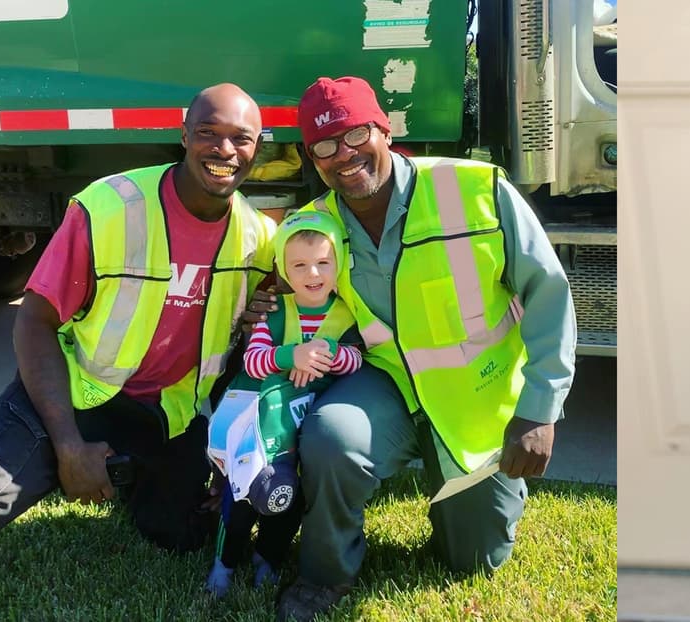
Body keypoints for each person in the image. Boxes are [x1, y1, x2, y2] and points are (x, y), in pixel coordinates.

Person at [242, 76, 576, 620]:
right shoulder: (316, 226)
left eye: (355, 136)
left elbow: (547, 294)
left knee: (473, 561)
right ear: (311, 156)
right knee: (331, 440)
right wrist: (264, 297)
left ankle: (459, 498)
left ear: (385, 128)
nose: (344, 156)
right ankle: (324, 574)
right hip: (388, 384)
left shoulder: (474, 189)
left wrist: (540, 408)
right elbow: (284, 273)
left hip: (476, 393)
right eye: (325, 147)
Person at [0, 84, 276, 553]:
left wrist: (228, 456)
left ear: (259, 147)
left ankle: (133, 476)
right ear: (183, 135)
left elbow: (252, 354)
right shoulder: (110, 207)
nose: (224, 150)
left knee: (181, 535)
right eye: (207, 133)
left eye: (241, 138)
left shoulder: (261, 238)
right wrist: (70, 447)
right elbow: (34, 322)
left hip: (167, 416)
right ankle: (38, 441)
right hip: (78, 394)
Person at [205, 210, 363, 597]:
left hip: (303, 430)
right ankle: (224, 564)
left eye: (323, 263)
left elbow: (358, 360)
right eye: (301, 265)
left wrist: (328, 353)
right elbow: (253, 361)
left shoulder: (346, 315)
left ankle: (268, 558)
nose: (313, 274)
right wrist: (291, 355)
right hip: (258, 430)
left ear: (337, 266)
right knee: (240, 500)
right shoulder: (275, 311)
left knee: (287, 502)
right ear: (283, 271)